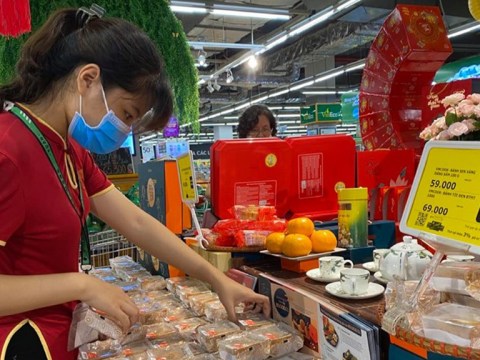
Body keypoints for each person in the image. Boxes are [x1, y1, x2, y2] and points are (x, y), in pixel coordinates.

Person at [0, 6, 270, 360]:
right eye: (126, 114)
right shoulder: (10, 150)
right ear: (87, 79)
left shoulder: (68, 150)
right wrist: (81, 284)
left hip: (56, 340)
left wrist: (215, 278)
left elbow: (137, 222)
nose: (124, 130)